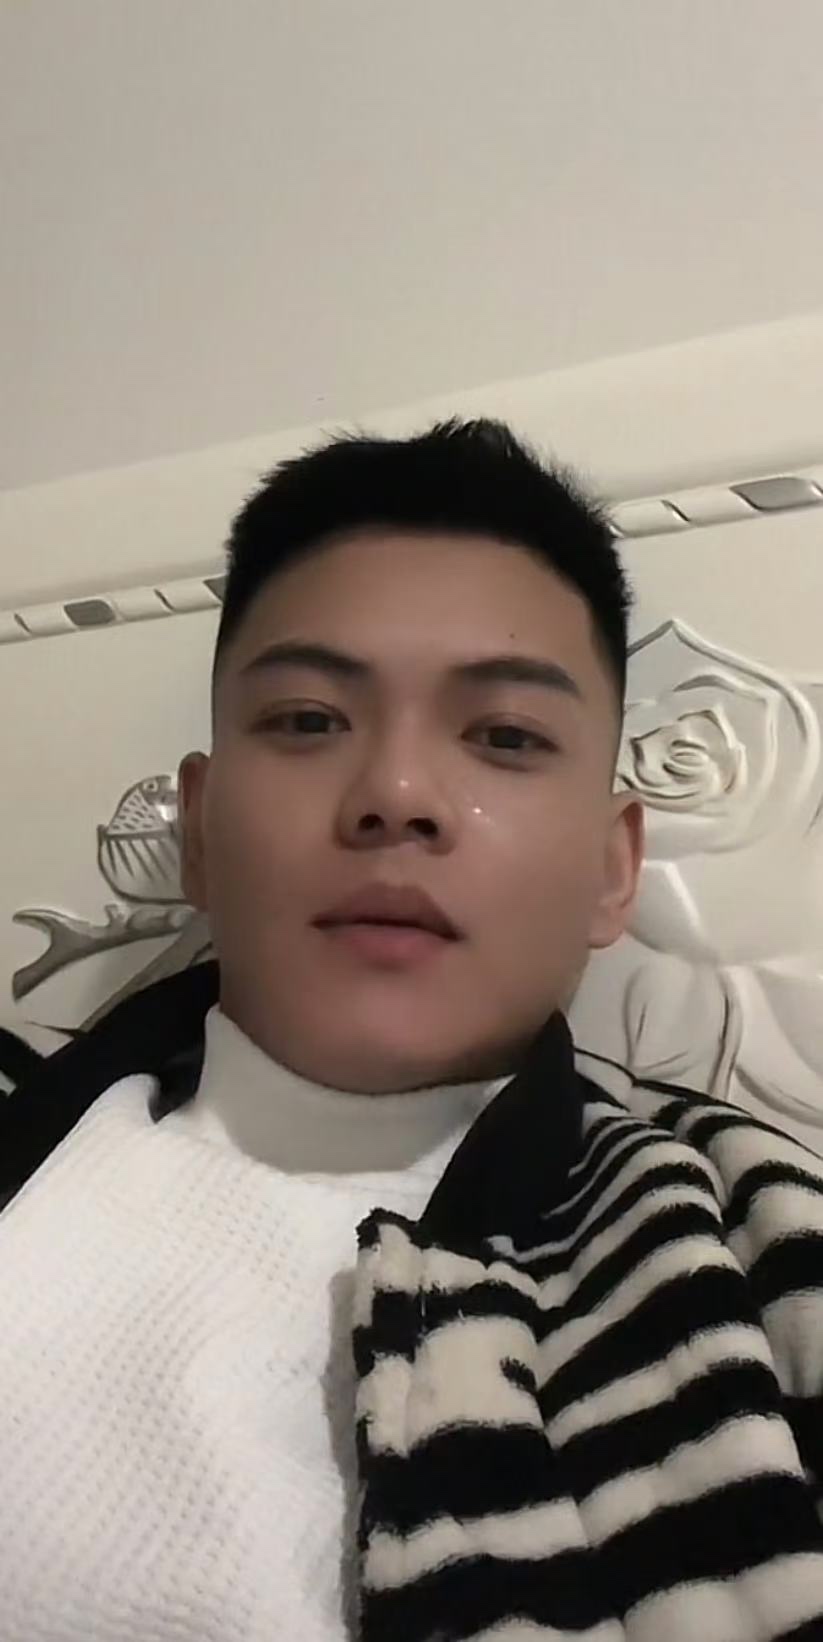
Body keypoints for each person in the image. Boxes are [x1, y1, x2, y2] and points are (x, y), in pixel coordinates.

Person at [2, 418, 823, 1642]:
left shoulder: (762, 1254)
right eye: (306, 720)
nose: (395, 793)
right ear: (201, 828)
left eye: (505, 736)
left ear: (613, 867)